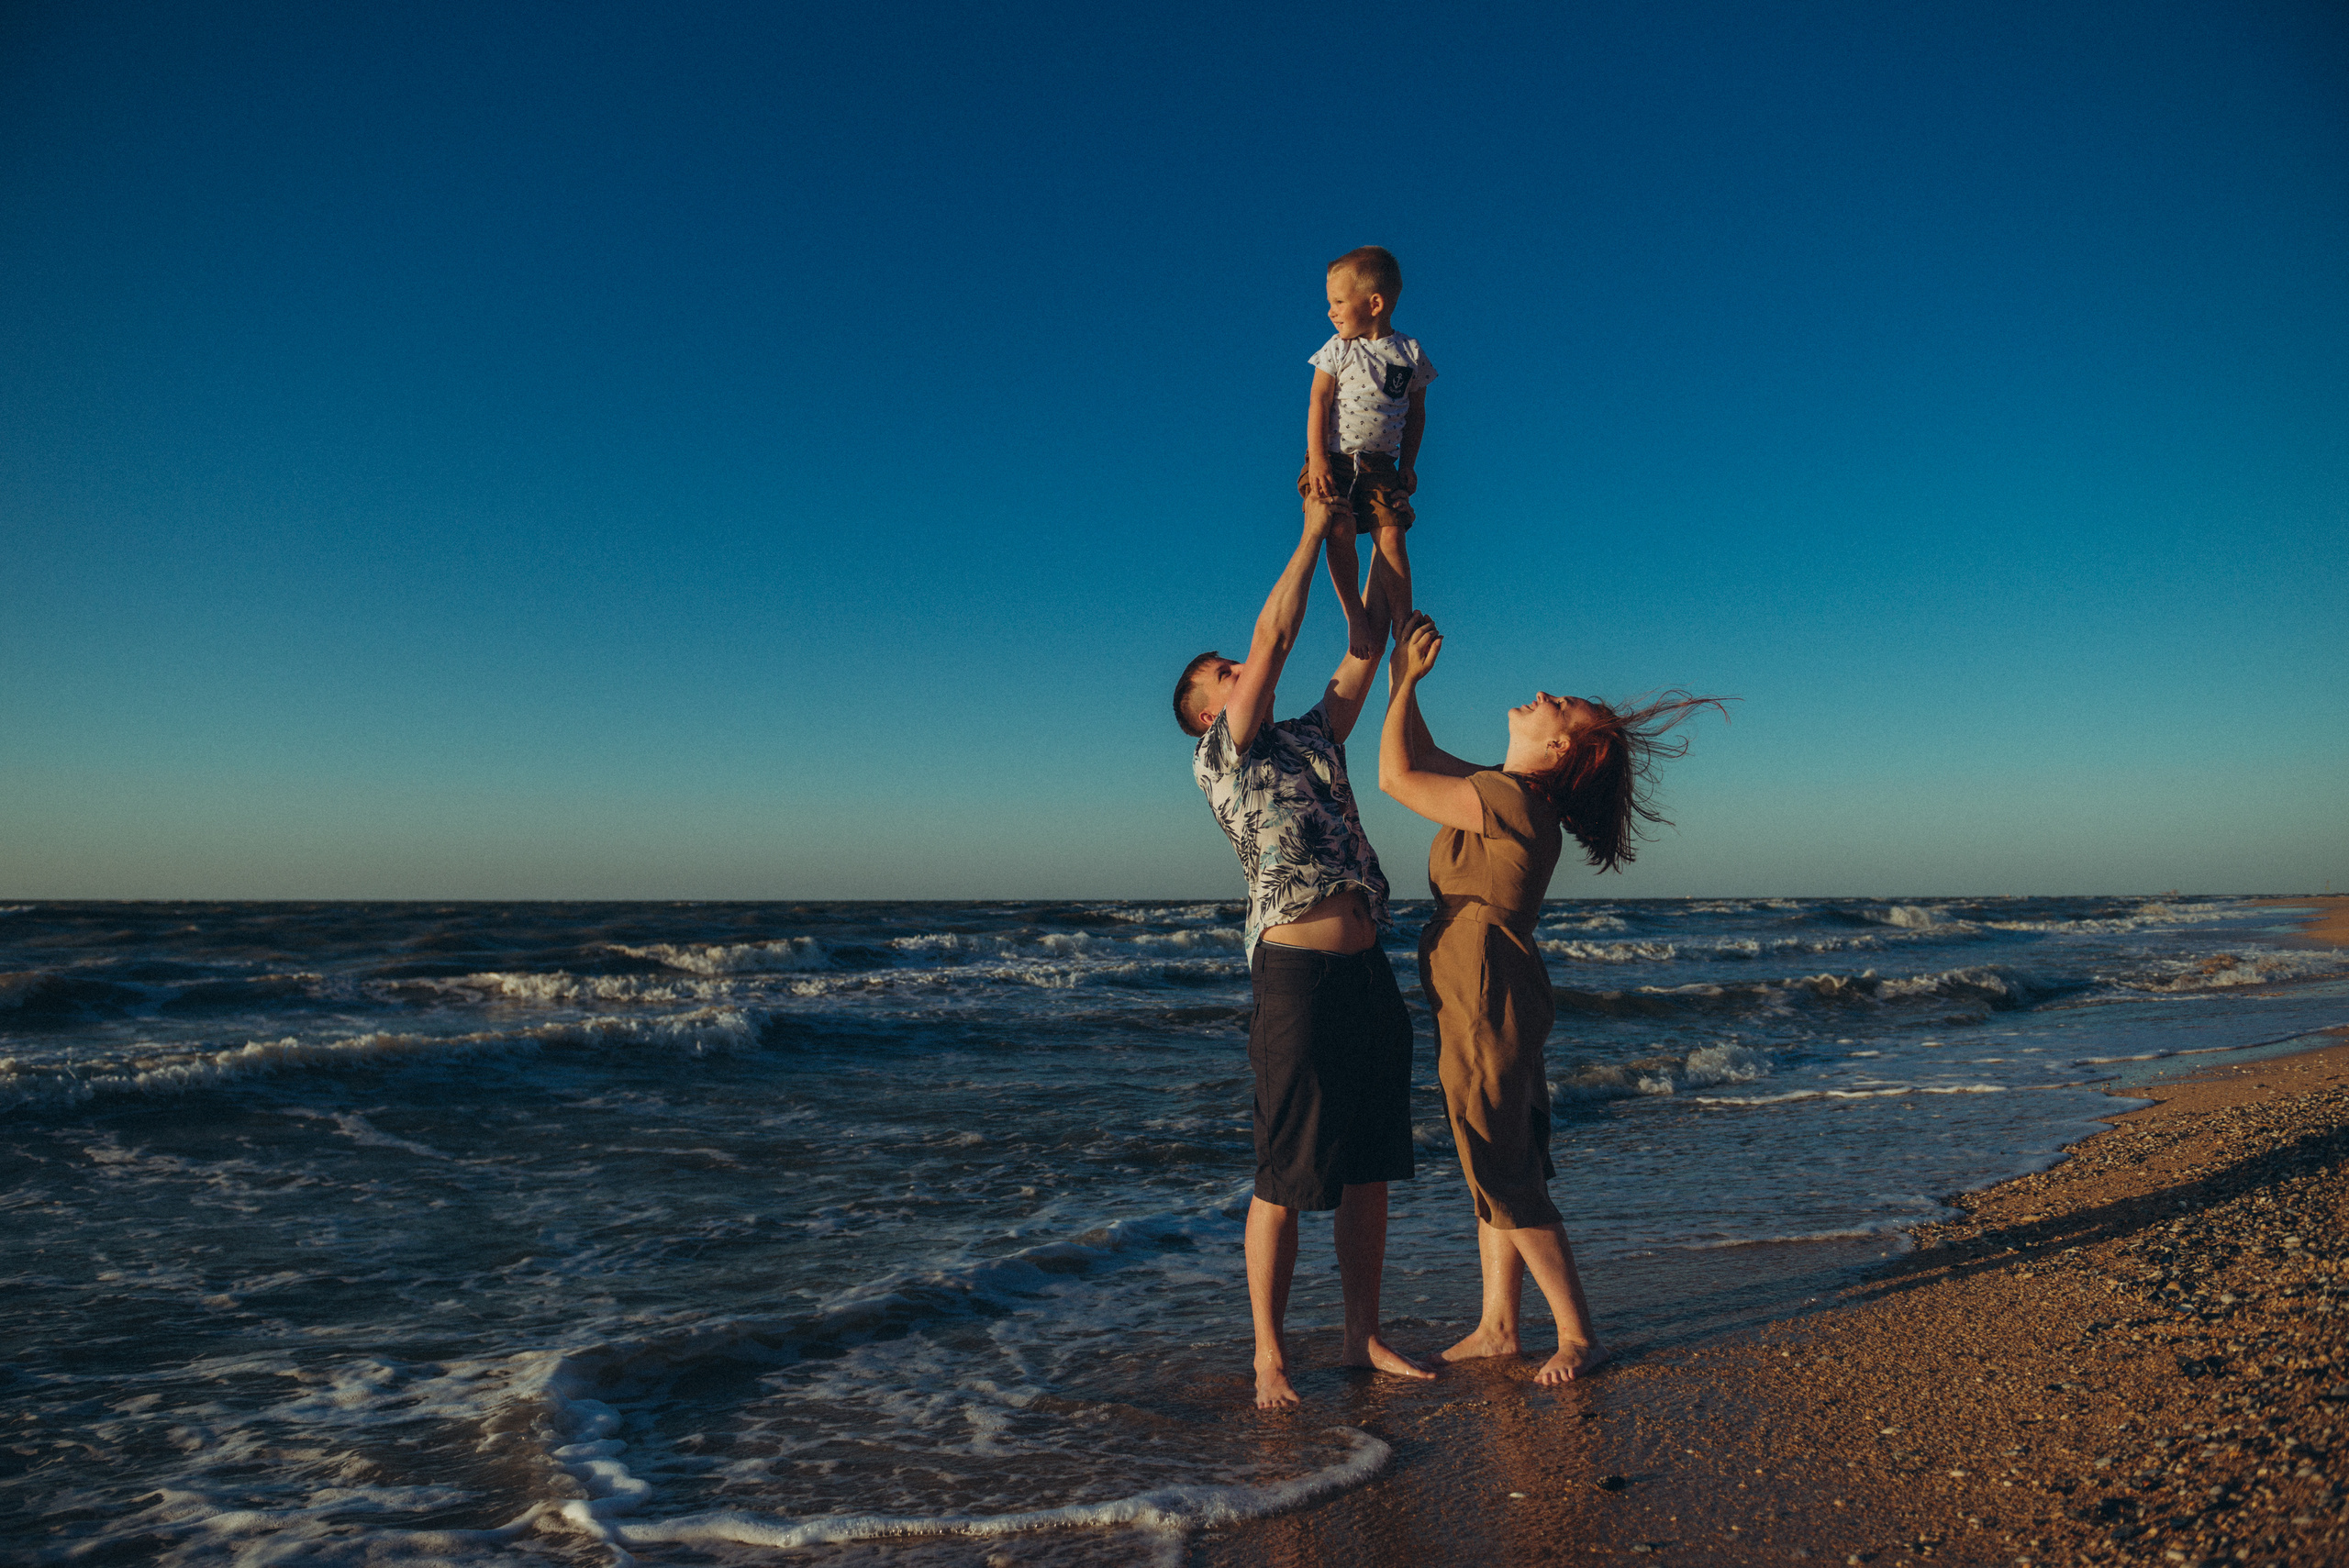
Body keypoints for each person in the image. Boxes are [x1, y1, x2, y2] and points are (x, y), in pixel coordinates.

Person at [1379, 612, 1727, 1385]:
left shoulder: (1516, 805)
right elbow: (1424, 755)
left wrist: (1403, 681)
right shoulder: (1503, 794)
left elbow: (1395, 776)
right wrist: (1399, 679)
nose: (1540, 695)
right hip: (1489, 980)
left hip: (1485, 985)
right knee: (1496, 1155)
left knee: (1500, 1162)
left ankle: (1578, 1333)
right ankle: (1500, 1324)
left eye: (1558, 703)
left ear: (1561, 746)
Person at [1172, 502, 1434, 1409]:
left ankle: (1363, 1333)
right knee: (1285, 1171)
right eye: (1223, 674)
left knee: (1368, 1164)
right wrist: (1311, 527)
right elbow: (1275, 635)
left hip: (1365, 968)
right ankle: (1270, 1354)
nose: (1240, 671)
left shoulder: (1312, 738)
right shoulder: (1223, 755)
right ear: (1208, 710)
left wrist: (1383, 542)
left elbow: (1364, 650)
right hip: (1294, 974)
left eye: (1232, 666)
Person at [1302, 245, 1433, 661]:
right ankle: (1354, 615)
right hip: (1335, 460)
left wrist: (1409, 465)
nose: (1331, 312)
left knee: (1392, 537)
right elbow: (1318, 402)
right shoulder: (1336, 350)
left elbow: (1416, 415)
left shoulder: (1410, 353)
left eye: (1338, 302)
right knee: (1337, 531)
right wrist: (1318, 458)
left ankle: (1401, 622)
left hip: (1381, 466)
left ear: (1374, 304)